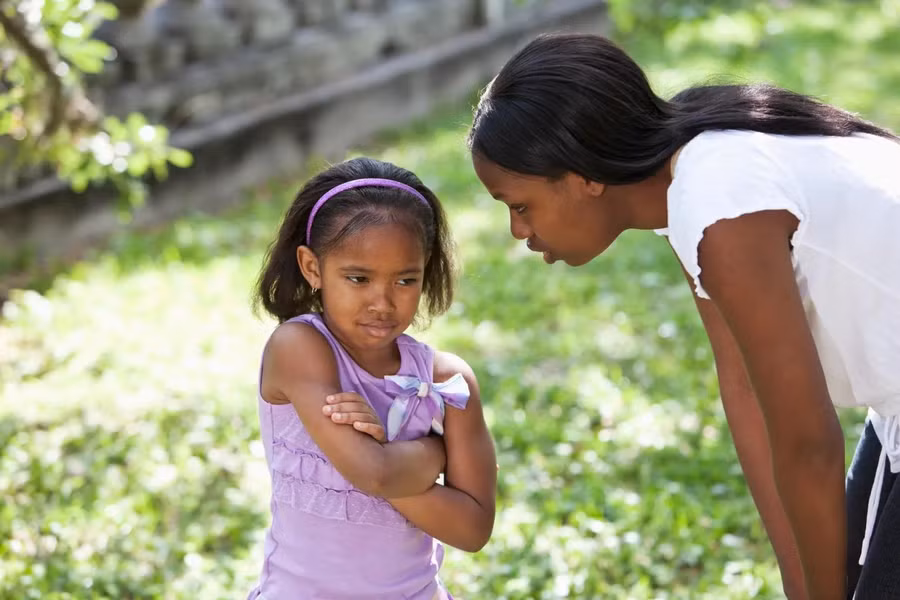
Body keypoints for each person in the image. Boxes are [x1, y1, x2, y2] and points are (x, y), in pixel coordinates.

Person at [467, 32, 900, 600]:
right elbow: (744, 390)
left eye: (520, 206)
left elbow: (808, 444)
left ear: (584, 176)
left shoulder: (721, 206)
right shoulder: (692, 178)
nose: (518, 232)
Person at [247, 157, 497, 599]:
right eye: (358, 278)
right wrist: (435, 451)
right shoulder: (300, 348)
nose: (382, 301)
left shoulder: (446, 381)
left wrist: (385, 458)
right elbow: (374, 474)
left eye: (405, 279)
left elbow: (472, 529)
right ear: (312, 268)